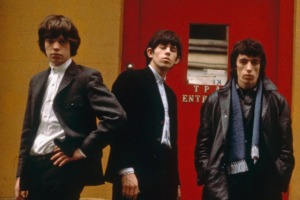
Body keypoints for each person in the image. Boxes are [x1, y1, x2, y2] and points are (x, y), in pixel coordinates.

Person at [15, 14, 126, 200]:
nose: (56, 47)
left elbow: (117, 116)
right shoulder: (36, 81)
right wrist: (21, 174)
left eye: (63, 42)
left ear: (72, 45)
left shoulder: (86, 77)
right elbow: (28, 131)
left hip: (63, 166)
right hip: (34, 166)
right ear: (43, 44)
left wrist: (82, 150)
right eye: (50, 41)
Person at [194, 38, 295, 200]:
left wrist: (276, 176)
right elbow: (202, 147)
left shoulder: (277, 101)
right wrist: (209, 174)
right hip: (224, 185)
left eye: (255, 62)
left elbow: (286, 149)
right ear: (235, 65)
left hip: (263, 186)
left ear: (261, 66)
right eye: (243, 61)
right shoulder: (215, 100)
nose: (249, 68)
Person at [105, 30, 182, 200]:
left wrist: (176, 182)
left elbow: (171, 141)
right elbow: (116, 127)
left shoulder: (171, 95)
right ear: (150, 52)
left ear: (177, 59)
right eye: (162, 47)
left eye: (173, 49)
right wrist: (125, 169)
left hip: (164, 176)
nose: (168, 51)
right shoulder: (130, 80)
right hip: (135, 172)